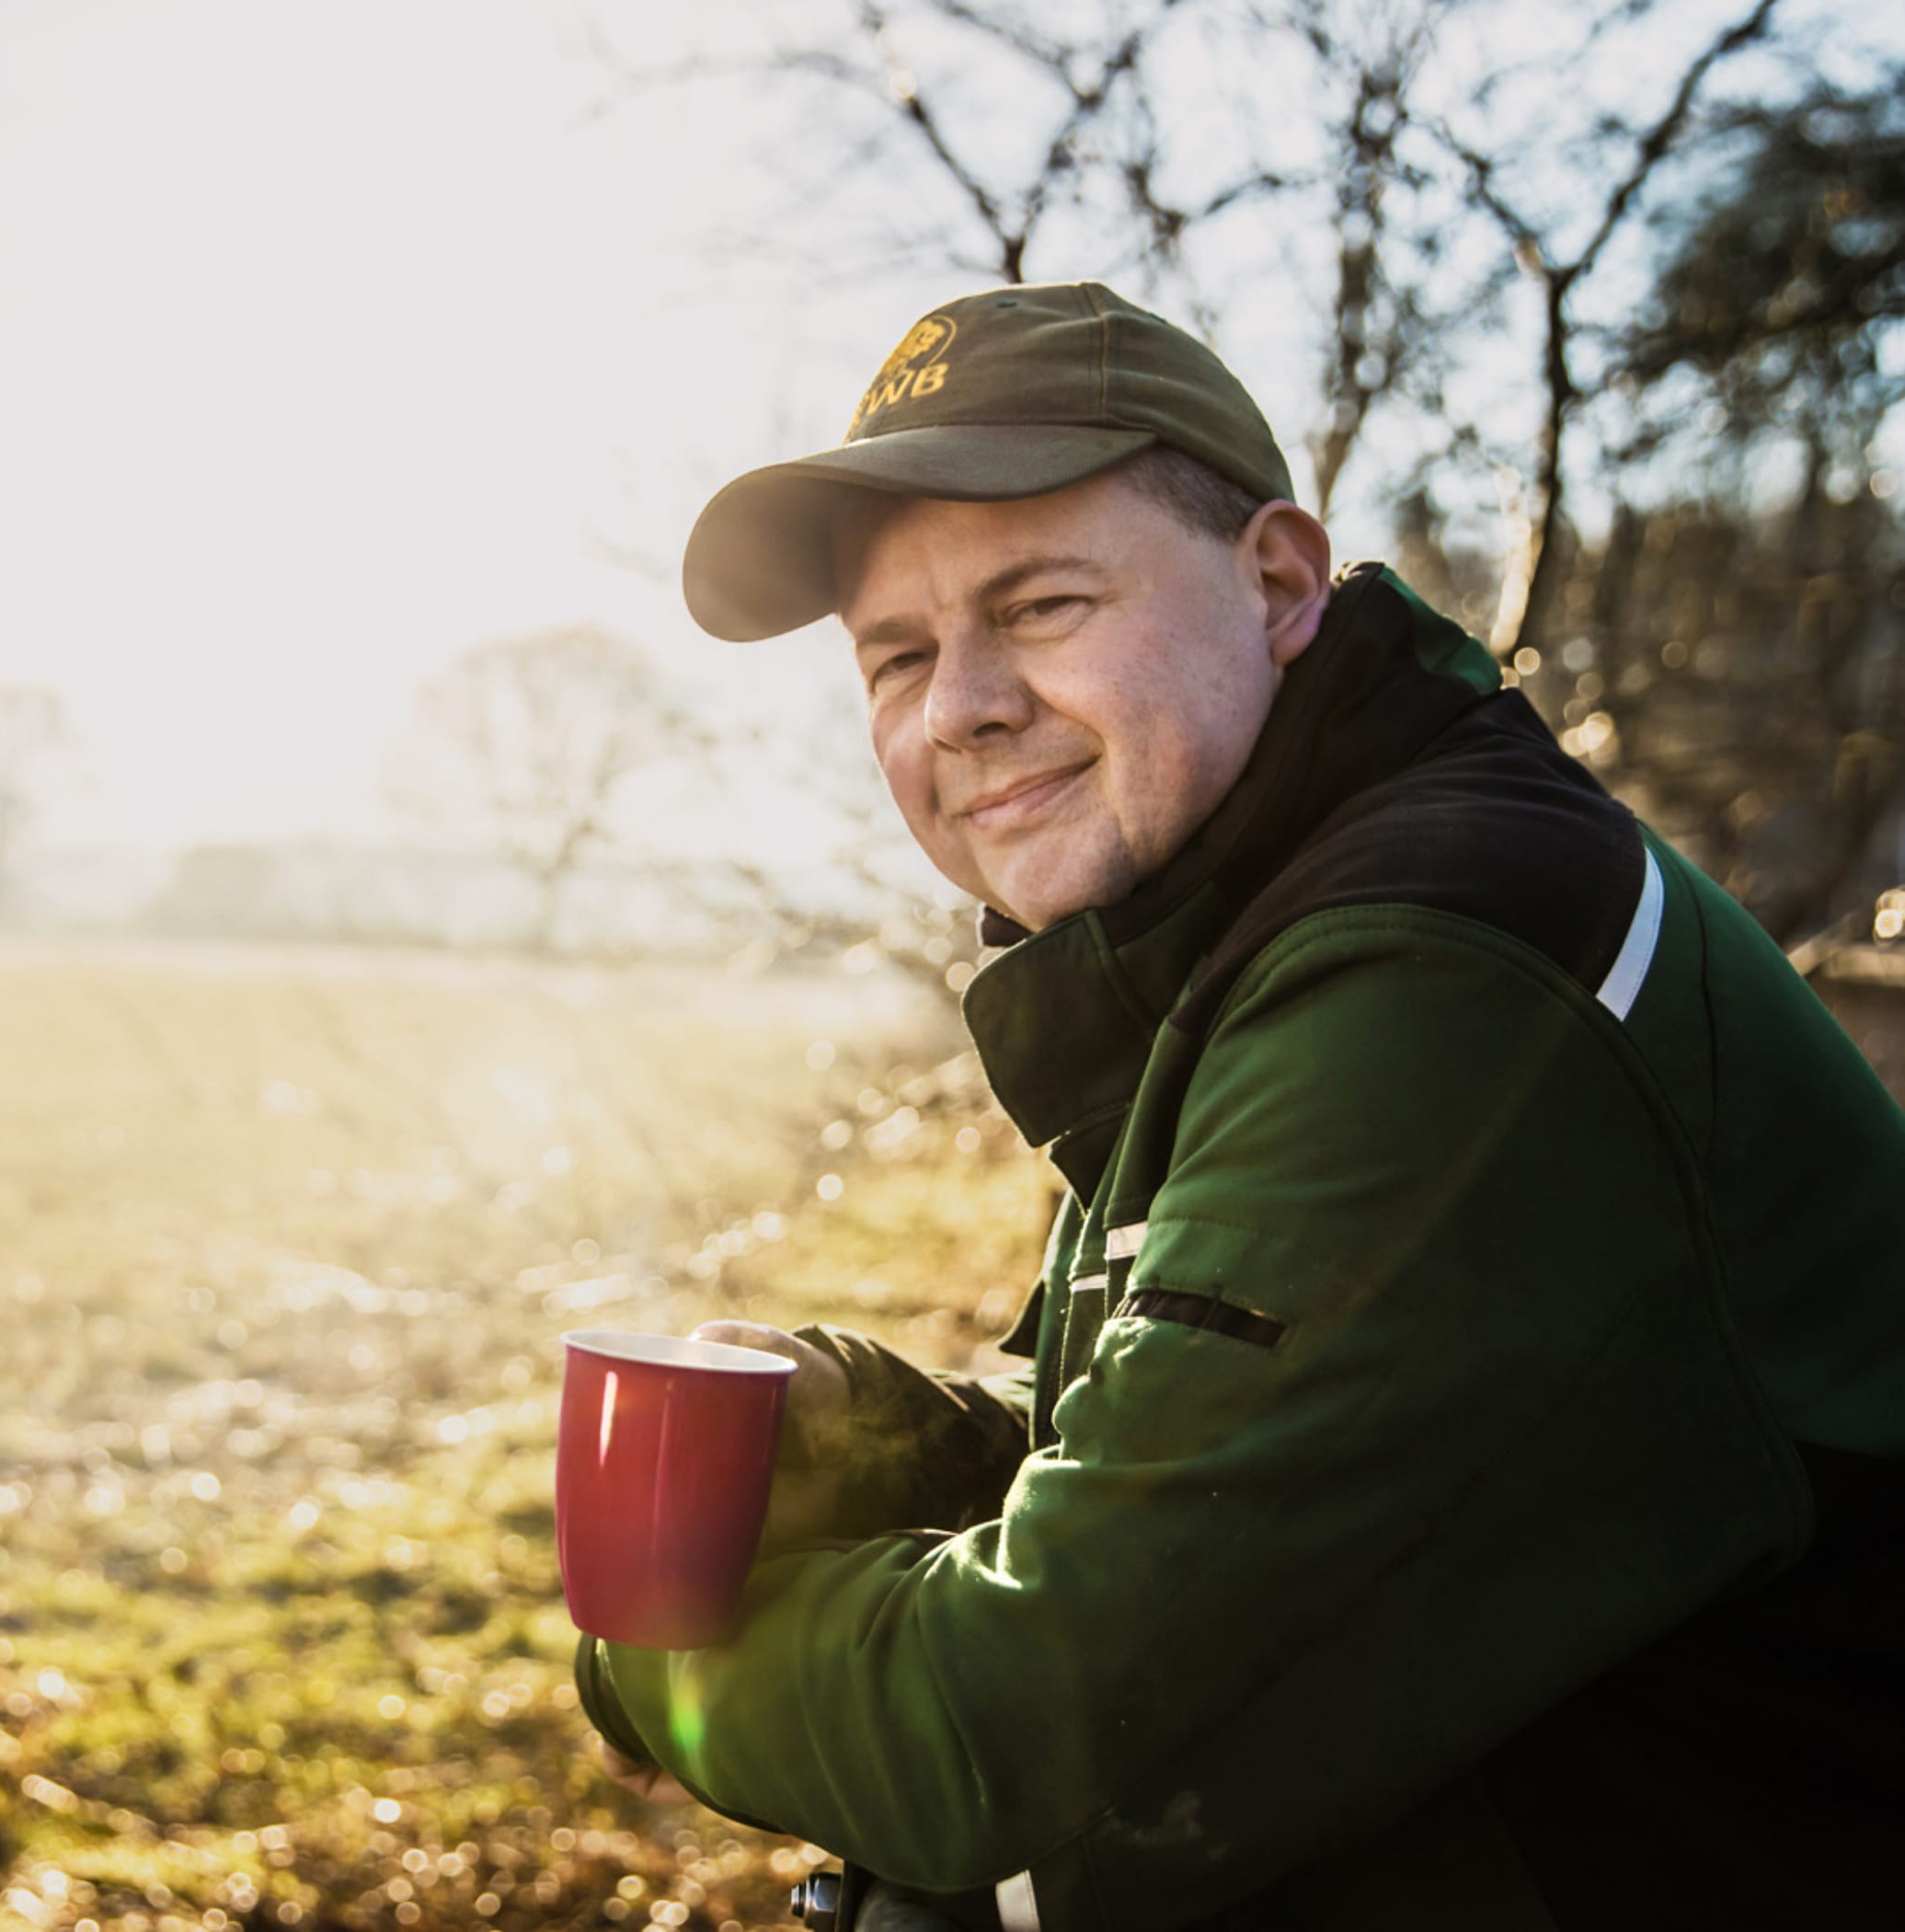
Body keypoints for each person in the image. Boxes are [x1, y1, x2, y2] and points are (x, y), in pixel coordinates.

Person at [575, 283, 1905, 1930]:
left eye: (1042, 604)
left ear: (1277, 581)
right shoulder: (1231, 923)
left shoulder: (1439, 964)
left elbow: (1022, 1733)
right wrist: (858, 1422)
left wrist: (652, 1658)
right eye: (897, 655)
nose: (957, 708)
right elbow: (1152, 1456)